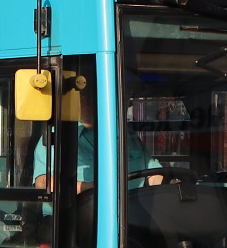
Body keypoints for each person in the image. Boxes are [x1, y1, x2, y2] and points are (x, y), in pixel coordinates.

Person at [33, 82, 163, 195]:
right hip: (77, 215)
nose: (87, 100)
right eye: (82, 96)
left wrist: (173, 183)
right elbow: (43, 183)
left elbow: (152, 174)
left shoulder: (125, 134)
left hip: (131, 211)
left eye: (92, 95)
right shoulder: (57, 136)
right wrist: (92, 188)